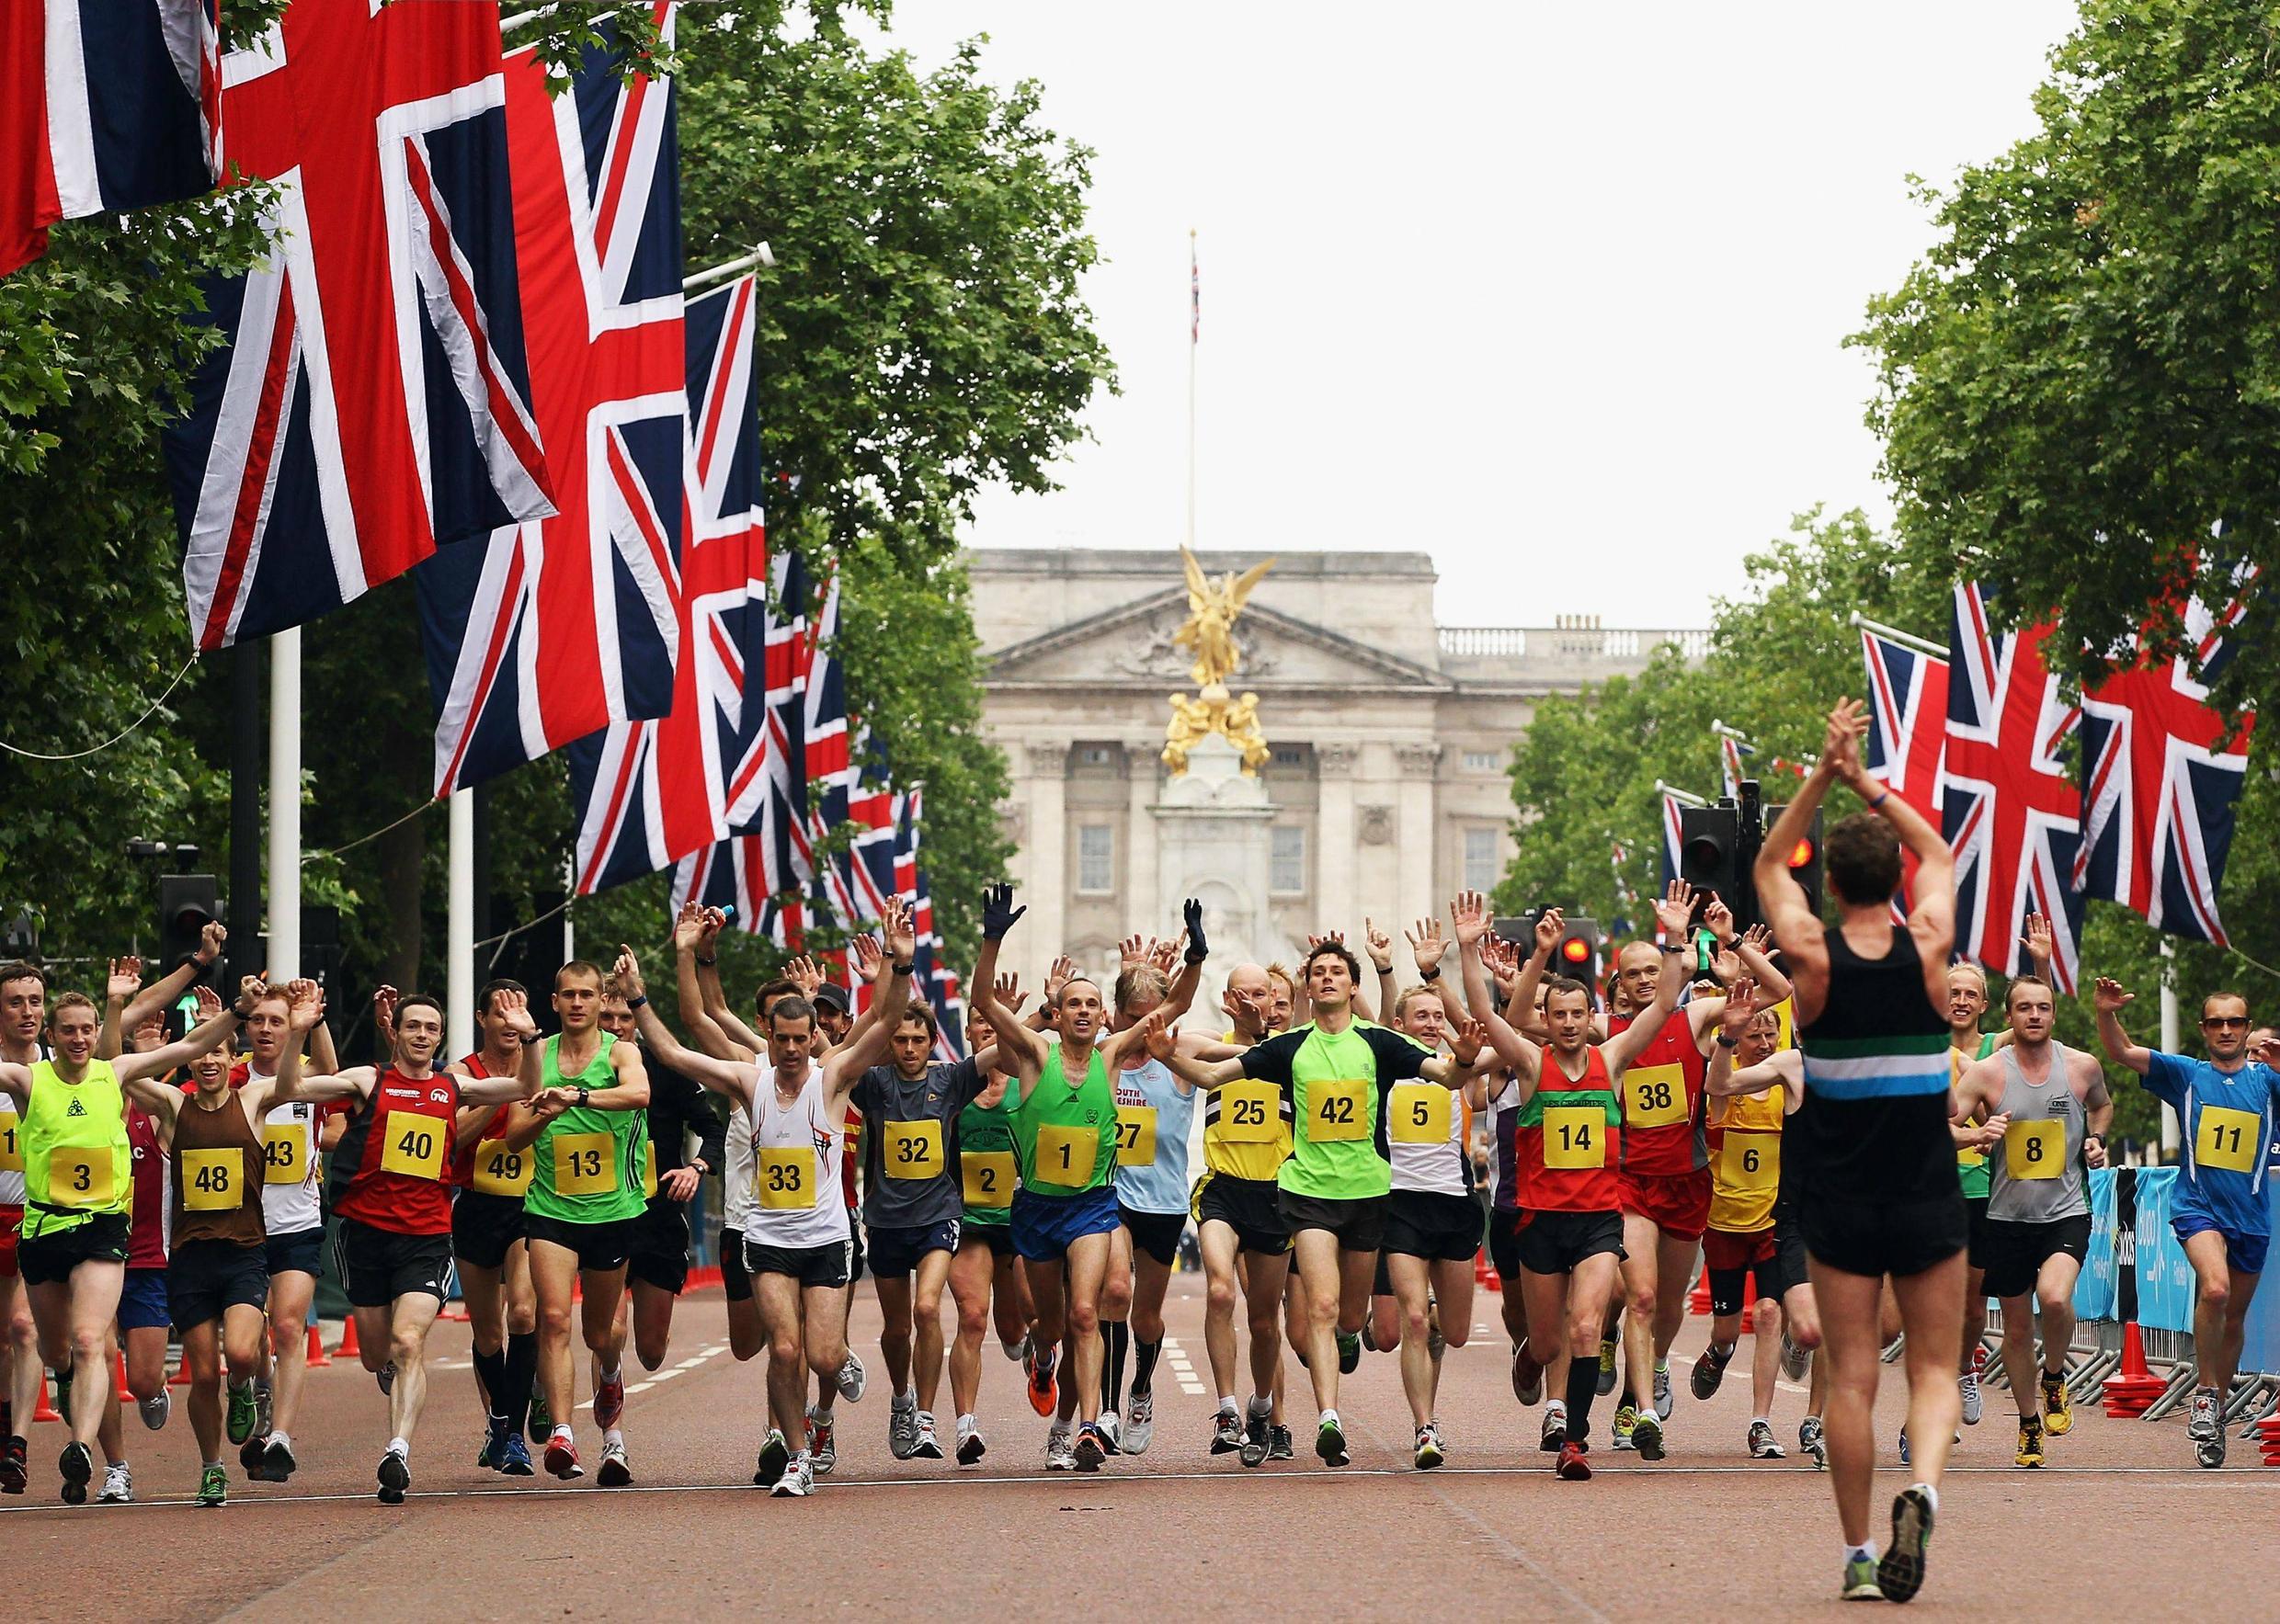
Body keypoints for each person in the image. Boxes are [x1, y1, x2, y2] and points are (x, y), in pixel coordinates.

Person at [1756, 698, 1962, 1604]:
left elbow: (1767, 861)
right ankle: (1918, 1489)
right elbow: (1944, 853)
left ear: (1830, 887)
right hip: (1925, 1193)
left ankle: (1853, 1557)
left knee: (1849, 1379)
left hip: (1840, 1201)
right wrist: (1867, 781)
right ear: (1892, 878)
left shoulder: (1809, 960)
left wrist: (1819, 773)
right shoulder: (1928, 949)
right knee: (1930, 1368)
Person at [1154, 926, 1479, 1471]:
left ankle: (1349, 1341)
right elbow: (1213, 1075)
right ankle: (1329, 1419)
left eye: (1338, 972)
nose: (1328, 978)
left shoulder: (1379, 1044)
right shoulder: (1290, 1045)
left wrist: (1465, 1058)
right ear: (1309, 984)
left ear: (1353, 987)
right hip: (1306, 1193)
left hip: (1369, 1192)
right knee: (1320, 1309)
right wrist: (1167, 1057)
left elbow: (1446, 1076)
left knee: (1350, 1317)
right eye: (1319, 971)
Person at [617, 903, 912, 1498]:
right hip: (769, 1239)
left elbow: (885, 1021)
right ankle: (797, 1455)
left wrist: (899, 962)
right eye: (782, 1039)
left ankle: (841, 1364)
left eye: (803, 1039)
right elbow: (681, 1045)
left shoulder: (833, 1079)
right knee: (782, 1346)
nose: (793, 1049)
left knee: (823, 1356)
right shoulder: (750, 1081)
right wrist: (655, 984)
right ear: (770, 1037)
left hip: (828, 1238)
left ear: (813, 1039)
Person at [1457, 885, 1695, 1481]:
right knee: (1545, 1341)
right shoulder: (1532, 1066)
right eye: (1556, 1014)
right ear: (1547, 1020)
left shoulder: (1610, 1058)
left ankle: (1575, 1439)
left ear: (1592, 1018)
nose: (1566, 1023)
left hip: (1596, 1221)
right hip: (1540, 1222)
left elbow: (1664, 1004)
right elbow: (1489, 1017)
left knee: (1586, 1326)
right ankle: (1534, 1365)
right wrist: (1471, 952)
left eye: (1576, 1014)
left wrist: (1672, 938)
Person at [273, 982, 544, 1503]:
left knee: (408, 1342)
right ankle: (390, 1379)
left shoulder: (452, 1087)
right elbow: (292, 1091)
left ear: (441, 1038)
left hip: (426, 1234)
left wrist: (530, 1034)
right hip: (366, 1234)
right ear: (394, 1031)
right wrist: (298, 1036)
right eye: (413, 1026)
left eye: (432, 1029)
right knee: (378, 1354)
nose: (422, 1035)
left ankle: (398, 1449)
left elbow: (524, 1085)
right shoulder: (366, 1080)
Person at [973, 888, 1205, 1472]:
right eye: (1071, 1003)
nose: (1081, 1012)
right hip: (1035, 1209)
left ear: (1103, 1016)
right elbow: (982, 1000)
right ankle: (1043, 1360)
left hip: (1093, 1208)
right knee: (1047, 1323)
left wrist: (1196, 957)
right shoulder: (1032, 1055)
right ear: (1060, 1012)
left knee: (1086, 1313)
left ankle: (1086, 1429)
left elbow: (1171, 1008)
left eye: (1091, 1005)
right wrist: (992, 938)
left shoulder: (1109, 1056)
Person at [0, 977, 250, 1503]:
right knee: (57, 1349)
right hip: (45, 1228)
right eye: (67, 1031)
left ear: (96, 1034)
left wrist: (237, 1012)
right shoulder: (28, 1080)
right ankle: (66, 1381)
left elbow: (189, 1047)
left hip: (102, 1228)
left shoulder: (113, 1073)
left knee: (93, 1341)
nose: (78, 1039)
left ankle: (83, 1447)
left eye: (87, 1030)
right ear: (52, 1034)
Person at [1602, 900, 1791, 1458]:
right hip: (1631, 1180)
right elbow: (1527, 1023)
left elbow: (1776, 992)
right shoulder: (1605, 1031)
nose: (1643, 981)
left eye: (1651, 972)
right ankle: (1641, 1409)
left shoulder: (1697, 1016)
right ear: (1619, 982)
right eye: (1632, 973)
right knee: (1637, 1293)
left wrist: (1735, 945)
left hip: (1687, 1180)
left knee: (1666, 1303)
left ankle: (1651, 1369)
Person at [124, 981, 318, 1507]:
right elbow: (119, 1071)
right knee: (201, 1372)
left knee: (240, 1353)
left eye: (219, 1053)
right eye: (200, 1053)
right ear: (188, 1061)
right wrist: (141, 1038)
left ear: (234, 1058)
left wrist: (299, 1030)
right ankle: (212, 1467)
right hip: (189, 1258)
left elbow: (289, 1080)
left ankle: (244, 1391)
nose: (209, 1061)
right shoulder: (171, 1106)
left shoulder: (252, 1099)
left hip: (243, 1252)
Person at [2095, 979, 2277, 1469]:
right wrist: (2107, 1013)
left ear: (2247, 1028)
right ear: (2202, 1029)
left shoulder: (2268, 1080)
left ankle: (2215, 1412)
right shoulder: (2186, 1074)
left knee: (2233, 1319)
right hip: (2197, 1207)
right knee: (2214, 1291)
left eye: (2234, 1022)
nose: (2225, 1029)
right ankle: (2202, 1392)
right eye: (2215, 1022)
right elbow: (2123, 1052)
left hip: (2253, 1217)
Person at [496, 962, 652, 1487]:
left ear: (599, 997)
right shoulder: (536, 1057)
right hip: (551, 1210)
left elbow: (638, 1095)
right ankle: (563, 1433)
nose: (579, 1003)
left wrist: (578, 1096)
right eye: (569, 995)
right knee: (555, 1320)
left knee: (600, 1332)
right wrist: (545, 1110)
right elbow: (514, 1138)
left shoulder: (620, 1051)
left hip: (613, 1212)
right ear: (556, 1001)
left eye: (588, 994)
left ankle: (609, 1376)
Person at [1953, 975, 2109, 1469]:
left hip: (2066, 1210)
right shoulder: (1985, 1073)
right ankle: (2027, 1425)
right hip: (2005, 1218)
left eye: (2043, 1007)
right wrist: (1978, 1132)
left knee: (2056, 1296)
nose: (2034, 1015)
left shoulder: (2081, 1067)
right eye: (2024, 1008)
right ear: (2009, 1017)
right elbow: (1941, 1124)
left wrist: (2096, 1140)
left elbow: (2102, 1106)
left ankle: (2056, 1376)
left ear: (2054, 1015)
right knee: (2018, 1331)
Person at [853, 1000, 994, 1465]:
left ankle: (927, 1419)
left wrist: (1033, 1017)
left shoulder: (951, 1080)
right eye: (900, 1040)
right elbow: (836, 1056)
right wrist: (877, 1006)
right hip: (887, 1220)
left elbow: (1001, 1049)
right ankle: (901, 1400)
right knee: (896, 1330)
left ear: (933, 1042)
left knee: (927, 1307)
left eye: (918, 1040)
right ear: (887, 1043)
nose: (910, 1049)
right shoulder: (873, 1083)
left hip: (939, 1214)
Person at [1191, 959, 1297, 1467]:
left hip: (1274, 1195)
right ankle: (1228, 1409)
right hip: (1222, 1190)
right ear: (1229, 1000)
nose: (1256, 1001)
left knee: (1264, 1320)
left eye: (1264, 993)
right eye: (1245, 993)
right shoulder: (1211, 1045)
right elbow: (1188, 1051)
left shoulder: (1296, 1055)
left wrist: (1269, 1045)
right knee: (1219, 1289)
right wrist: (1250, 1042)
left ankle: (1262, 1408)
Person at [1377, 971, 1486, 1470]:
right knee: (1413, 1319)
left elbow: (1489, 1048)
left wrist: (1460, 1029)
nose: (1431, 1022)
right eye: (1421, 1015)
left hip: (1454, 1206)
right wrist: (1384, 969)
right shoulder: (1384, 1068)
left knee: (1455, 1331)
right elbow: (1370, 1019)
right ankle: (1425, 1426)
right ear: (1400, 1024)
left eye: (1438, 1015)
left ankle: (1438, 1331)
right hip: (1400, 1205)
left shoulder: (1460, 1069)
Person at [600, 976, 723, 1391]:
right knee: (608, 1334)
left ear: (638, 1021)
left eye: (625, 1017)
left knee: (651, 1353)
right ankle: (609, 1405)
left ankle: (630, 1355)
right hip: (598, 1215)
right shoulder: (572, 1070)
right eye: (607, 1017)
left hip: (658, 1217)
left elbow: (713, 1128)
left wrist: (698, 1167)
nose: (616, 1025)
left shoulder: (668, 1071)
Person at [1698, 994, 1806, 1459]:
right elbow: (1717, 1094)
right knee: (1726, 1332)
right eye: (1754, 1035)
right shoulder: (1722, 1091)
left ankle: (1760, 1422)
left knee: (1767, 1314)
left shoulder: (1786, 1090)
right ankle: (1718, 1355)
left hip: (1771, 1223)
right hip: (1722, 1223)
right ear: (1737, 1041)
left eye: (1771, 1035)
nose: (1764, 1043)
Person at [1104, 960, 1203, 1457]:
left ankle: (1140, 1389)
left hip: (1163, 1204)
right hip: (1111, 1198)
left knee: (1145, 1317)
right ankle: (1107, 1412)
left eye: (1153, 1018)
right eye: (1134, 1019)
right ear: (1115, 1015)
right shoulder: (1104, 1058)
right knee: (1115, 1292)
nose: (1145, 1030)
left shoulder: (1178, 1058)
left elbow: (1245, 1052)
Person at [447, 980, 540, 1475]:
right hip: (478, 1203)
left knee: (523, 1314)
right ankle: (500, 1424)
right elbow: (453, 1138)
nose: (511, 1021)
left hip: (530, 1204)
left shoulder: (540, 1061)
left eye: (519, 1010)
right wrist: (498, 1098)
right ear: (483, 1019)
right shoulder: (461, 1073)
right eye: (501, 1012)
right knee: (488, 1333)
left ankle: (514, 1435)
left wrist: (530, 1066)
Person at [948, 986, 1038, 1466]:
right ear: (968, 1032)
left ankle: (1033, 1353)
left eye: (994, 1022)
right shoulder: (954, 1086)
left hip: (1020, 1215)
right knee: (972, 1317)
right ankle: (965, 1426)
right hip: (969, 1220)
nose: (986, 1029)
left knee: (1018, 1321)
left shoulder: (1028, 1082)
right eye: (979, 1022)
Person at [0, 960, 54, 1493]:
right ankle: (4, 1423)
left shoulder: (62, 1067)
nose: (27, 1012)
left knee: (24, 1328)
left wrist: (196, 964)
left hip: (35, 1217)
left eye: (35, 1001)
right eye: (16, 1002)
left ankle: (17, 1443)